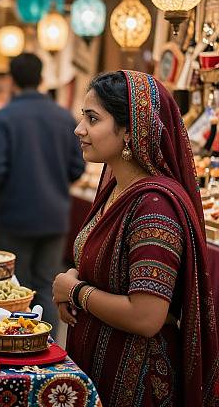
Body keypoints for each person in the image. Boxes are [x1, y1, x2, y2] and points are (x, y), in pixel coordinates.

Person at [53, 71, 219, 406]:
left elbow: (146, 316)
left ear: (130, 130)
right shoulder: (117, 188)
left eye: (92, 119)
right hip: (102, 370)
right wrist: (74, 276)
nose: (79, 129)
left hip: (137, 383)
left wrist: (76, 291)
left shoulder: (154, 208)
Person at [0, 53, 84, 329]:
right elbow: (77, 168)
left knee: (14, 288)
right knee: (48, 285)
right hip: (55, 214)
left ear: (12, 81)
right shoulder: (63, 117)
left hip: (15, 214)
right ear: (41, 79)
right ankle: (45, 349)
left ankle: (14, 348)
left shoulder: (5, 117)